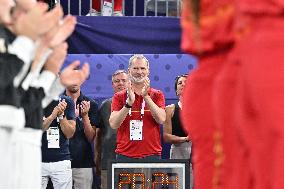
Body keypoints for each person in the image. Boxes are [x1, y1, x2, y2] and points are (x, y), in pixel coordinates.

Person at [109, 54, 166, 160]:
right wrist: (128, 104)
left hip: (151, 154)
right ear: (129, 71)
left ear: (148, 71)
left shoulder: (157, 94)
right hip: (125, 155)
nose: (139, 72)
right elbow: (113, 124)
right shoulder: (119, 96)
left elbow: (161, 119)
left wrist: (146, 97)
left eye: (142, 68)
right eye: (135, 68)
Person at [95, 69, 128, 189]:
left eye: (124, 80)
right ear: (112, 85)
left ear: (130, 82)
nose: (120, 83)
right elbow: (99, 135)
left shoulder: (141, 104)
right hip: (108, 161)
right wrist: (97, 158)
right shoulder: (105, 105)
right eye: (117, 81)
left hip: (132, 162)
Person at [65, 80, 98, 189]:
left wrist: (84, 116)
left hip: (83, 163)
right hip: (59, 162)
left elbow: (91, 137)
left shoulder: (90, 104)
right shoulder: (56, 102)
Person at [163, 74, 193, 188]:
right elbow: (166, 136)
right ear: (176, 91)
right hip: (178, 151)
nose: (183, 84)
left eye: (186, 82)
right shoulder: (169, 109)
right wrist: (185, 139)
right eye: (180, 83)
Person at [41, 95, 76, 189]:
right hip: (38, 159)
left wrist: (61, 116)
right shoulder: (35, 97)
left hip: (61, 160)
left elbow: (69, 134)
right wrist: (52, 116)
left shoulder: (66, 101)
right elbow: (38, 129)